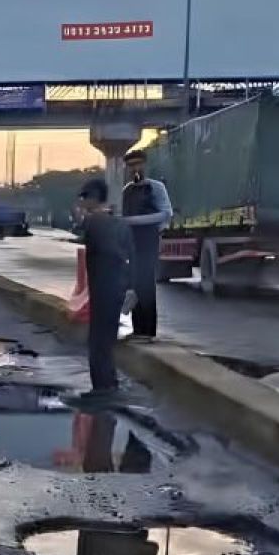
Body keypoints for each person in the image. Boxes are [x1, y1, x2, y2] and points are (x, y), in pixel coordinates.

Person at [78, 178, 134, 400]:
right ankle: (110, 386)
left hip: (103, 289)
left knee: (98, 344)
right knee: (107, 342)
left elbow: (86, 231)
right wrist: (131, 287)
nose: (81, 203)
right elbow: (133, 256)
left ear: (92, 199)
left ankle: (102, 392)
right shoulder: (120, 224)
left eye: (84, 198)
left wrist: (82, 218)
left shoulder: (94, 223)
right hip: (119, 288)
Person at [121, 149, 173, 340]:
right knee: (134, 283)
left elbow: (166, 213)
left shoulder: (155, 187)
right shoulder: (127, 190)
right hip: (131, 242)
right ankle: (138, 330)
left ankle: (148, 331)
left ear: (145, 165)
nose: (135, 168)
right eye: (131, 165)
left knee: (146, 284)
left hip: (148, 240)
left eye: (138, 164)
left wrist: (135, 221)